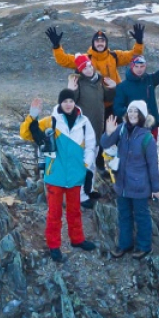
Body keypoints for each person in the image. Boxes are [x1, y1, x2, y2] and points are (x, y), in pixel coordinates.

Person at [19, 89, 98, 262]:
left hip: (75, 176)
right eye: (65, 101)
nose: (68, 104)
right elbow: (25, 134)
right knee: (54, 213)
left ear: (74, 103)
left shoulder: (84, 122)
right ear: (60, 103)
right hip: (55, 175)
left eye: (71, 101)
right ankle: (54, 245)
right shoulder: (50, 121)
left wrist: (84, 166)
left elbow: (91, 146)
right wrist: (32, 116)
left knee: (75, 211)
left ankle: (77, 240)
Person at [101, 100, 159, 260]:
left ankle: (144, 246)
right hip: (122, 184)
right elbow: (105, 144)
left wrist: (156, 189)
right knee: (124, 215)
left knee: (142, 216)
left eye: (136, 112)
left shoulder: (147, 138)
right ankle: (124, 244)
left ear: (142, 115)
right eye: (130, 111)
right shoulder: (120, 130)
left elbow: (153, 165)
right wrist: (108, 132)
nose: (133, 114)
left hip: (140, 186)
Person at [67, 57, 116, 208]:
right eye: (84, 68)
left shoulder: (99, 81)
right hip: (83, 132)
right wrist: (70, 90)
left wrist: (113, 88)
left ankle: (88, 190)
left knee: (92, 163)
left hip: (97, 129)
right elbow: (69, 103)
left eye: (89, 66)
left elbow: (108, 98)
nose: (88, 69)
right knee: (84, 164)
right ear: (80, 71)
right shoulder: (78, 83)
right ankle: (80, 197)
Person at [46, 24, 145, 98]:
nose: (100, 43)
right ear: (93, 43)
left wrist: (139, 43)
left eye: (102, 41)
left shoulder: (114, 56)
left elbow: (134, 55)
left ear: (106, 43)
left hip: (115, 98)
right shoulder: (84, 59)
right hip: (95, 101)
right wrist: (56, 46)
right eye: (97, 41)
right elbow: (64, 60)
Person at [112, 54, 159, 140]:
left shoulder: (150, 80)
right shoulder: (122, 86)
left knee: (151, 152)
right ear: (131, 66)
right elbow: (117, 108)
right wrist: (133, 115)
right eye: (136, 66)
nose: (139, 69)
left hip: (152, 127)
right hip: (133, 128)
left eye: (142, 66)